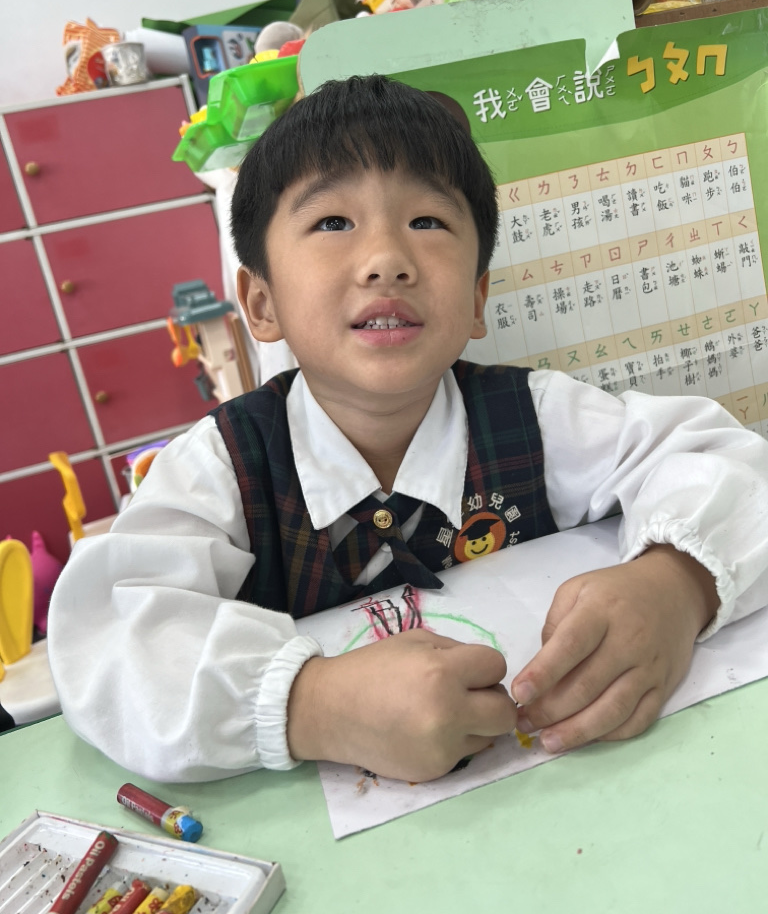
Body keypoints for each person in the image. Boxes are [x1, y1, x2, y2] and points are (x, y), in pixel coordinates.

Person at [48, 75, 768, 784]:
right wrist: (312, 705)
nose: (387, 261)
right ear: (261, 302)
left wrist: (677, 584)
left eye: (428, 222)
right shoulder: (224, 466)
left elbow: (728, 462)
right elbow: (109, 634)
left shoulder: (535, 416)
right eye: (333, 223)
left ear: (478, 299)